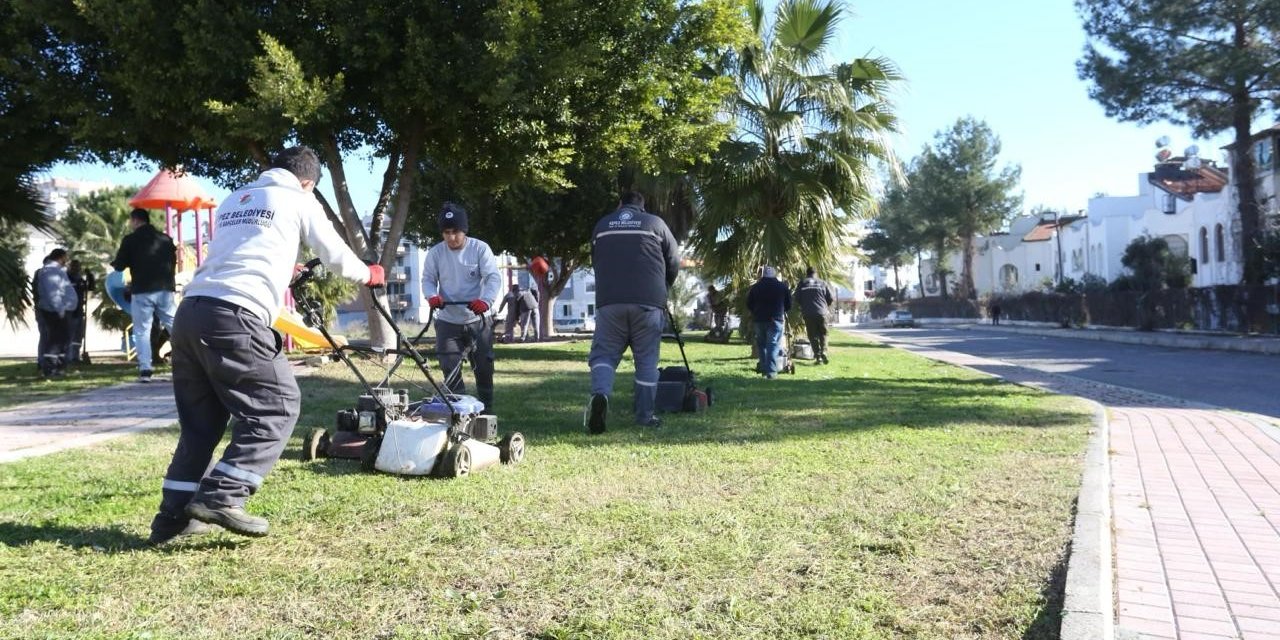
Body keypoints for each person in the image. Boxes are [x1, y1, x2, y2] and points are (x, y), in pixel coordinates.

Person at [148, 146, 384, 545]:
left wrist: (281, 264)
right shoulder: (297, 198)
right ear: (307, 182)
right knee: (277, 406)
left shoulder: (234, 200)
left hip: (191, 313)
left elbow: (244, 249)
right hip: (234, 314)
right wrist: (370, 274)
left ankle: (171, 519)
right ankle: (223, 496)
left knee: (200, 426)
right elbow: (336, 255)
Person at [584, 191, 679, 434]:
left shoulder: (602, 225)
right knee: (646, 360)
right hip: (648, 303)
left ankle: (601, 396)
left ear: (620, 204)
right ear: (642, 206)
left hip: (610, 302)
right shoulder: (655, 224)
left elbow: (595, 260)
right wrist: (663, 286)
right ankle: (645, 417)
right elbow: (673, 260)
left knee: (604, 355)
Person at [421, 202, 501, 411]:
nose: (451, 237)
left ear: (464, 230)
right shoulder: (436, 253)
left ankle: (487, 409)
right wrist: (432, 296)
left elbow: (493, 278)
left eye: (455, 232)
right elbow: (428, 279)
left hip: (478, 319)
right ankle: (461, 411)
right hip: (448, 319)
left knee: (483, 367)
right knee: (449, 366)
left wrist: (485, 301)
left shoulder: (480, 249)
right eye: (446, 232)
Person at [111, 208, 178, 382]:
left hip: (142, 290)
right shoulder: (166, 240)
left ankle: (146, 370)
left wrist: (116, 263)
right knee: (175, 325)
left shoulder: (130, 240)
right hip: (165, 289)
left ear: (135, 221)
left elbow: (119, 266)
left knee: (142, 330)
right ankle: (191, 361)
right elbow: (173, 261)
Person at [32, 248, 77, 377]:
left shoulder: (57, 270)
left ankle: (59, 366)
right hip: (55, 311)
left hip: (62, 309)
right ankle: (50, 367)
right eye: (65, 258)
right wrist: (60, 309)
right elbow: (53, 293)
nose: (66, 261)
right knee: (56, 340)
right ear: (61, 257)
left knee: (63, 339)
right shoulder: (50, 271)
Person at [747, 265, 791, 379]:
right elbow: (788, 304)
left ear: (763, 275)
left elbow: (749, 304)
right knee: (773, 345)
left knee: (762, 345)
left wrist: (756, 312)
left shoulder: (755, 287)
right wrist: (782, 310)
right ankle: (771, 372)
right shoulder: (782, 287)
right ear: (774, 275)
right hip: (775, 319)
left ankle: (764, 369)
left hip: (759, 319)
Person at [794, 266, 835, 365]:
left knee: (813, 336)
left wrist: (804, 305)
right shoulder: (822, 283)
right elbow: (830, 298)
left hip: (808, 313)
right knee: (823, 334)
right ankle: (824, 352)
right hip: (822, 313)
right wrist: (825, 306)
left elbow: (797, 297)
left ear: (807, 273)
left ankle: (818, 357)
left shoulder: (802, 283)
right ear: (816, 273)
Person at [66, 260, 95, 365]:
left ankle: (75, 356)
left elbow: (90, 287)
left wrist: (90, 276)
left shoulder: (79, 278)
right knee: (70, 334)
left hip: (79, 310)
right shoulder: (66, 277)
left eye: (78, 267)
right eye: (74, 266)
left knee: (78, 335)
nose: (76, 269)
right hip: (69, 310)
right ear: (69, 267)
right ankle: (68, 357)